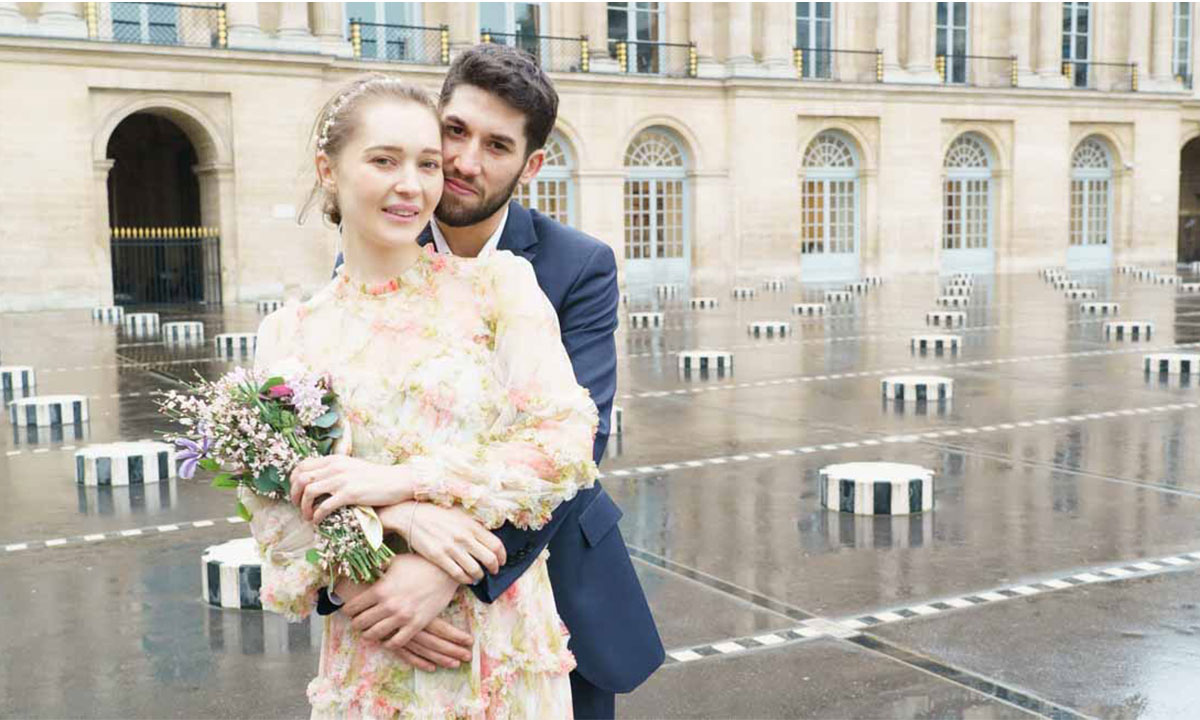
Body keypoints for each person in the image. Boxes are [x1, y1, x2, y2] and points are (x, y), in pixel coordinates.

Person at [327, 45, 664, 719]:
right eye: (454, 131)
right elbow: (341, 447)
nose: (463, 162)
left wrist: (445, 569)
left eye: (496, 145)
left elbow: (576, 443)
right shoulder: (371, 249)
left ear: (530, 165)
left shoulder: (577, 265)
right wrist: (385, 547)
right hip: (398, 597)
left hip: (551, 582)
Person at [248, 74, 597, 717]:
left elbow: (564, 444)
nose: (411, 184)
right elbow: (275, 514)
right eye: (384, 160)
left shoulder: (499, 287)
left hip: (500, 645)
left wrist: (398, 480)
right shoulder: (289, 334)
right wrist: (392, 522)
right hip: (376, 642)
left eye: (427, 163)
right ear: (329, 168)